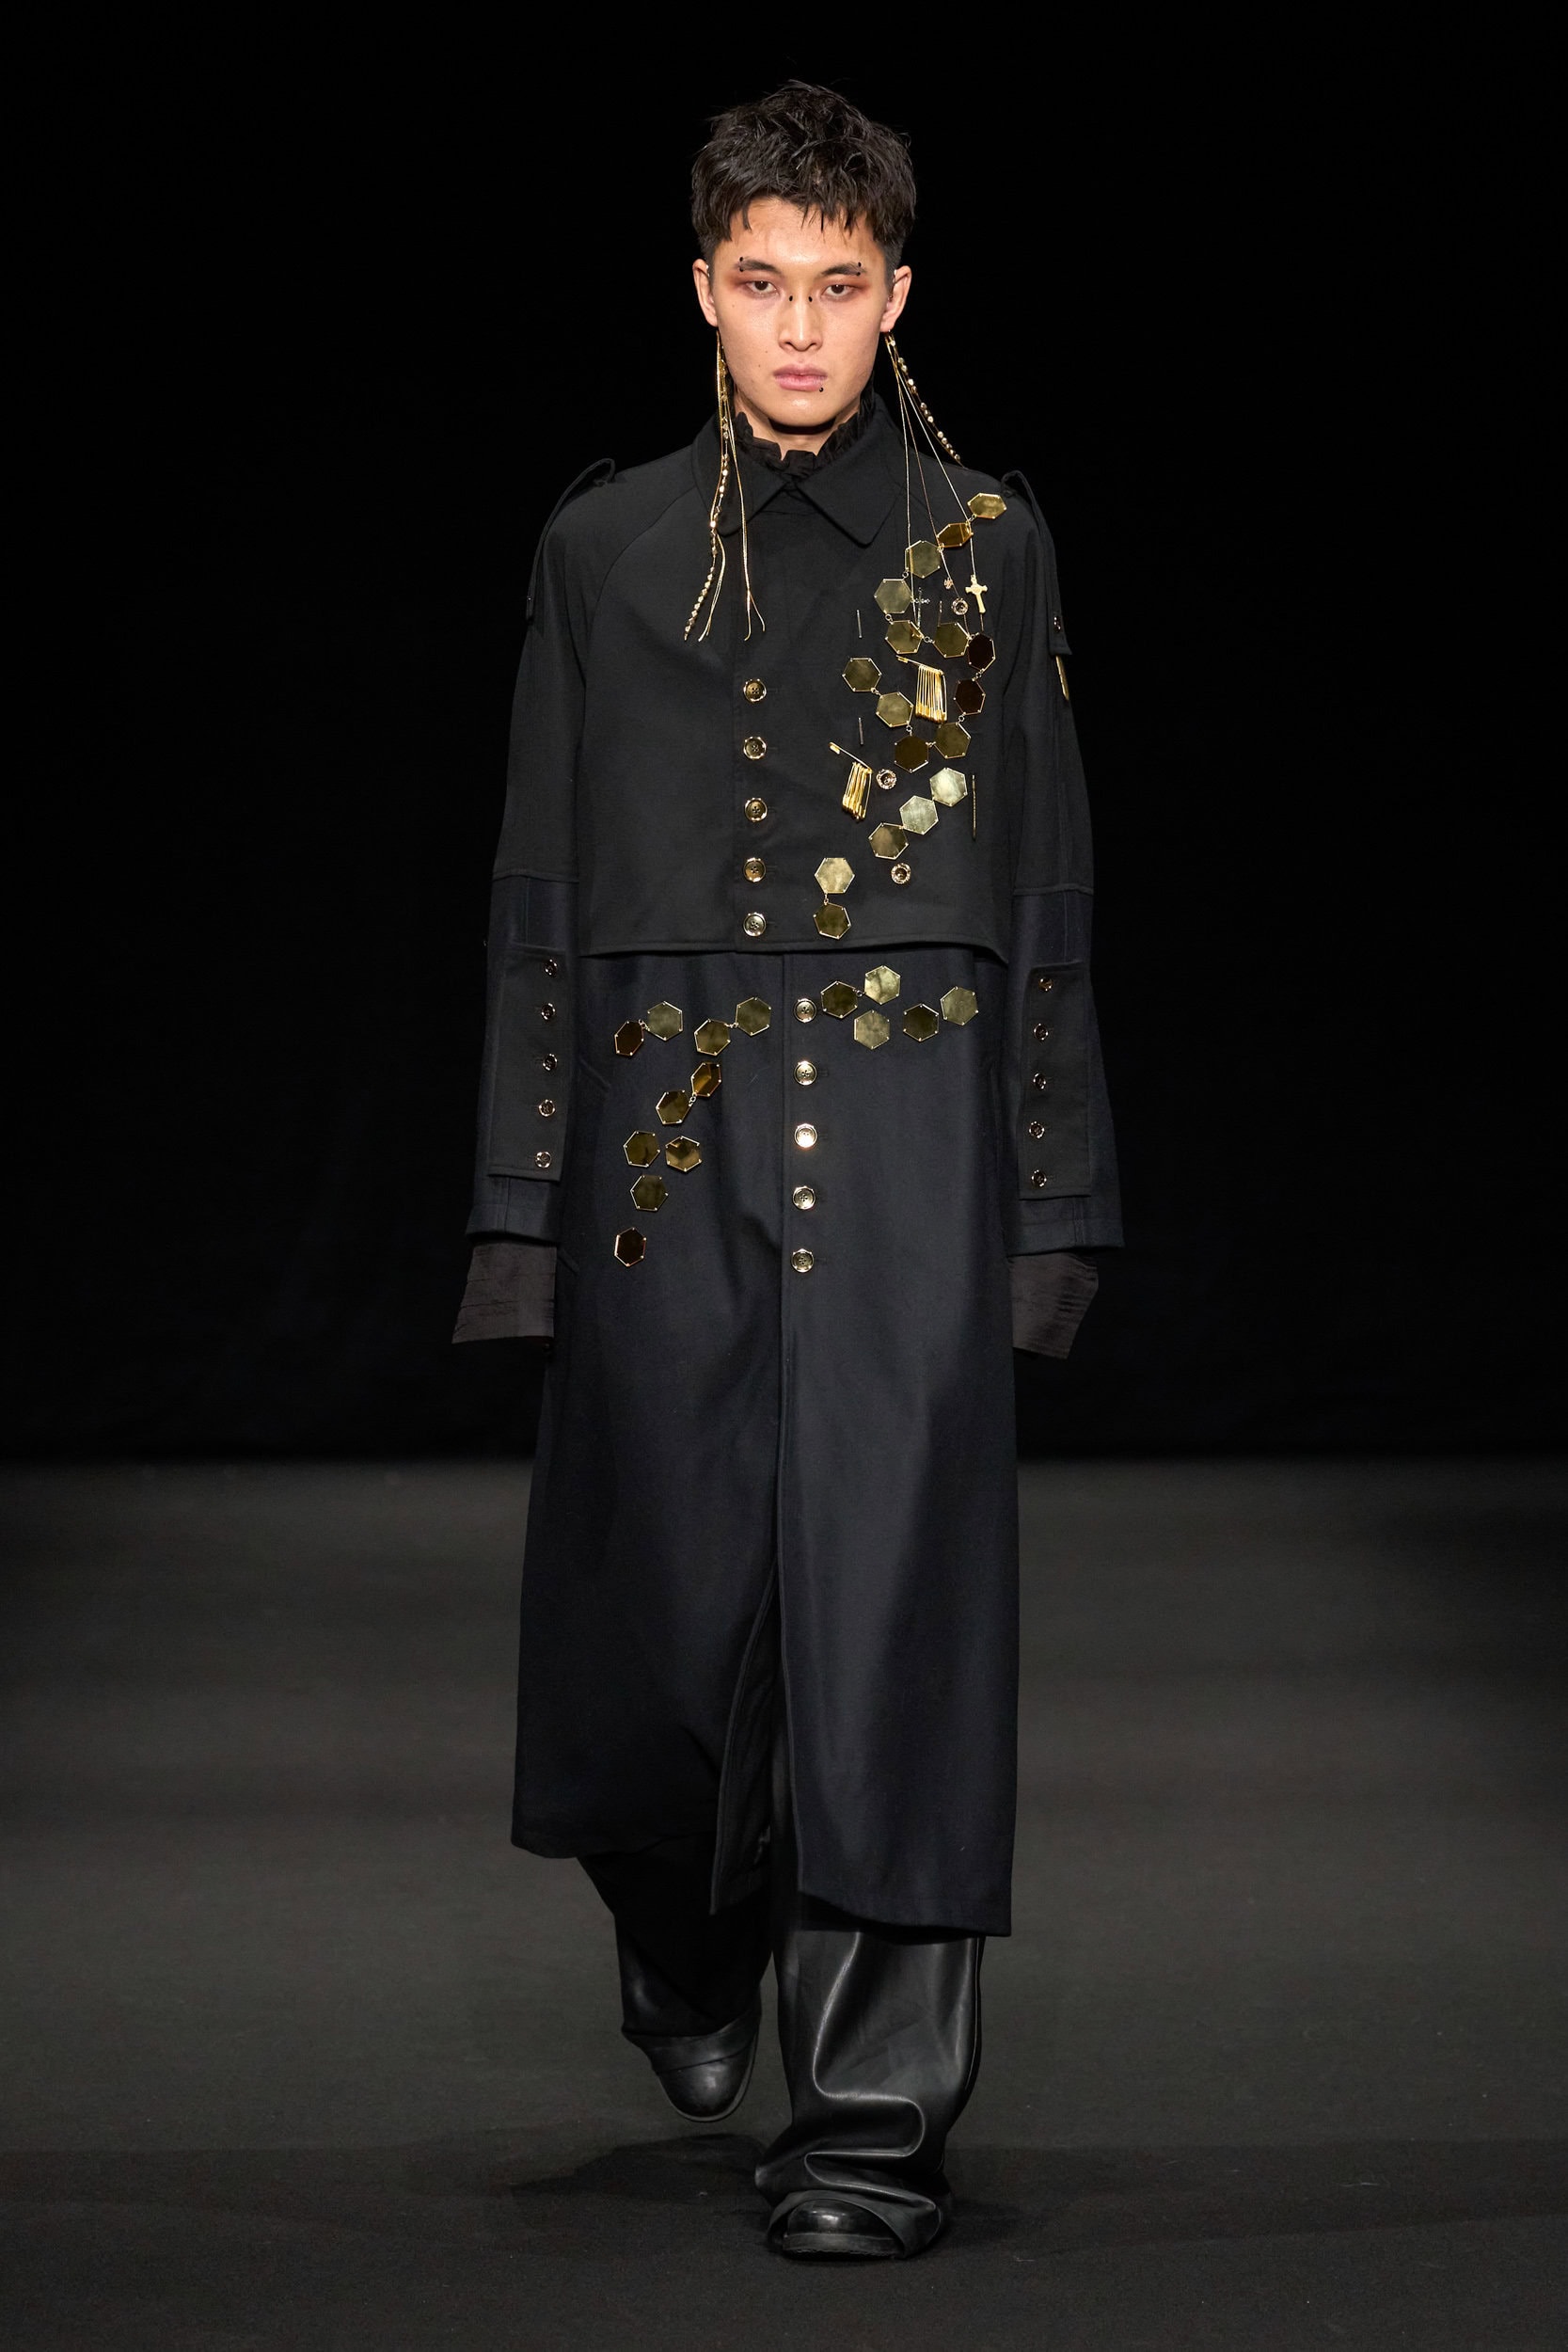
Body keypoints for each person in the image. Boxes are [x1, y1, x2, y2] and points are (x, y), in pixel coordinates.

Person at [453, 80, 1120, 2259]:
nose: (804, 326)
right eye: (764, 282)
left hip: (914, 1126)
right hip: (662, 1137)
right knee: (651, 1620)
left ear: (898, 293)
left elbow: (1044, 886)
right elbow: (539, 890)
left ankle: (867, 2126)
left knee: (896, 1623)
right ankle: (682, 1913)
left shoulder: (982, 545)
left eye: (841, 284)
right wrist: (520, 1207)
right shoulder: (605, 550)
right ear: (705, 292)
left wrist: (1049, 1201)